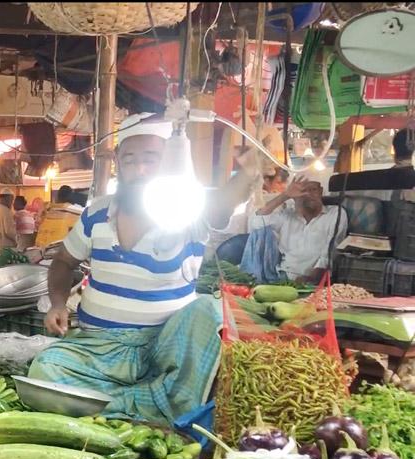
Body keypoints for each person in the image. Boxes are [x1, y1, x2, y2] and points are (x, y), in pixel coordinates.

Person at [30, 113, 258, 426]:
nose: (139, 170)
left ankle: (102, 404)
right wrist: (57, 304)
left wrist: (244, 175)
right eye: (130, 160)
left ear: (170, 163)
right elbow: (63, 262)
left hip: (162, 349)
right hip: (99, 349)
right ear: (118, 165)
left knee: (209, 308)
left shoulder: (188, 210)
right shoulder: (96, 212)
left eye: (151, 160)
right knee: (44, 368)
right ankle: (147, 402)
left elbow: (220, 206)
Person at [249, 178, 348, 283]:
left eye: (313, 189)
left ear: (321, 191)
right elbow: (256, 223)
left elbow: (329, 255)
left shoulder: (335, 214)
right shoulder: (287, 215)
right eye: (303, 191)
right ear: (294, 197)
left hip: (314, 280)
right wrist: (285, 195)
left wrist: (309, 280)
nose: (309, 194)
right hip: (282, 276)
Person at [211, 166, 288, 264]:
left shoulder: (283, 201)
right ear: (266, 181)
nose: (282, 187)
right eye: (278, 183)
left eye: (284, 184)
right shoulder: (262, 199)